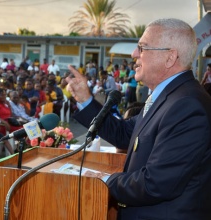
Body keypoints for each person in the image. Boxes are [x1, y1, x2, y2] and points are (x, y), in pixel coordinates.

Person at [66, 18, 211, 219]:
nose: (134, 54)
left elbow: (156, 183)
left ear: (170, 58)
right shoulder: (170, 95)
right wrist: (86, 101)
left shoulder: (187, 105)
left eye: (142, 48)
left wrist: (105, 179)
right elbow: (126, 133)